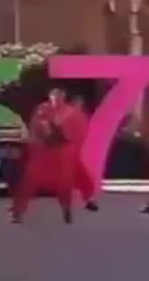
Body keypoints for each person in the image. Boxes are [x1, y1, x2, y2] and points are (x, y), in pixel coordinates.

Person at [11, 86, 86, 224]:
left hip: (60, 153)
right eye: (54, 95)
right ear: (50, 97)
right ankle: (18, 213)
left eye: (59, 96)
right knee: (28, 183)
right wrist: (36, 142)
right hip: (43, 152)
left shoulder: (70, 112)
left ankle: (66, 208)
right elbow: (36, 126)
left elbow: (76, 133)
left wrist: (66, 140)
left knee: (64, 183)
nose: (56, 98)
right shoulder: (43, 109)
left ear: (63, 97)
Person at [68, 96, 99, 212]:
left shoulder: (81, 117)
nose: (77, 106)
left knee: (82, 178)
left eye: (79, 104)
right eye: (75, 104)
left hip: (72, 152)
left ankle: (89, 199)